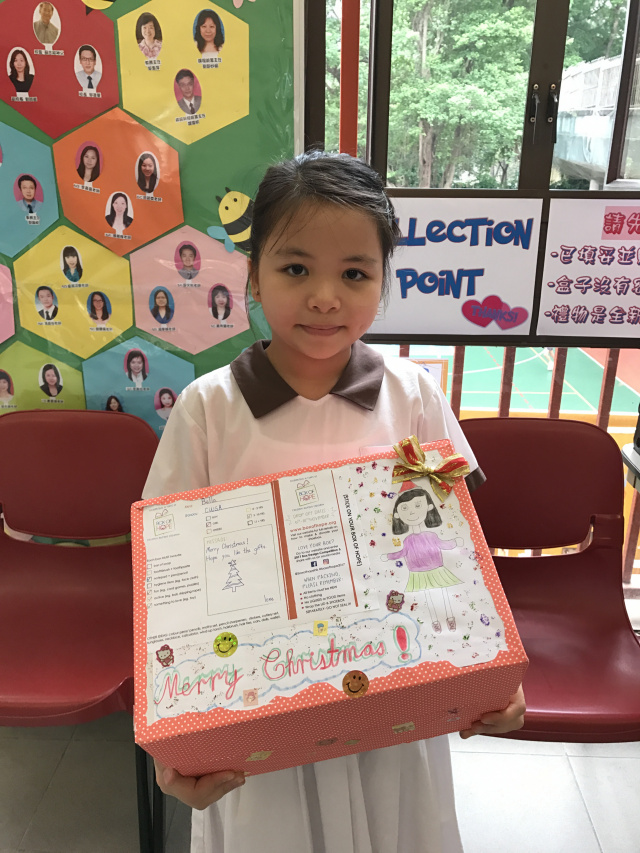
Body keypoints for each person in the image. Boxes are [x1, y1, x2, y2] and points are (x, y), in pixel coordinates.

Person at [143, 151, 526, 853]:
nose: (325, 297)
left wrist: (487, 667)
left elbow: (450, 554)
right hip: (260, 719)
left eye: (355, 273)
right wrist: (177, 740)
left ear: (384, 280)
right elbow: (171, 585)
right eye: (296, 269)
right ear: (253, 274)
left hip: (395, 710)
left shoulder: (412, 394)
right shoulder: (208, 410)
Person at [381, 482, 464, 633]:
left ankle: (450, 618)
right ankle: (435, 622)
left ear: (429, 506)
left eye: (418, 505)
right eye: (404, 508)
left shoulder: (431, 535)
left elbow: (443, 544)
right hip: (419, 573)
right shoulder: (408, 540)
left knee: (444, 594)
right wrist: (389, 556)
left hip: (436, 569)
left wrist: (455, 542)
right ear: (397, 514)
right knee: (429, 597)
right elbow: (402, 553)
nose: (412, 512)